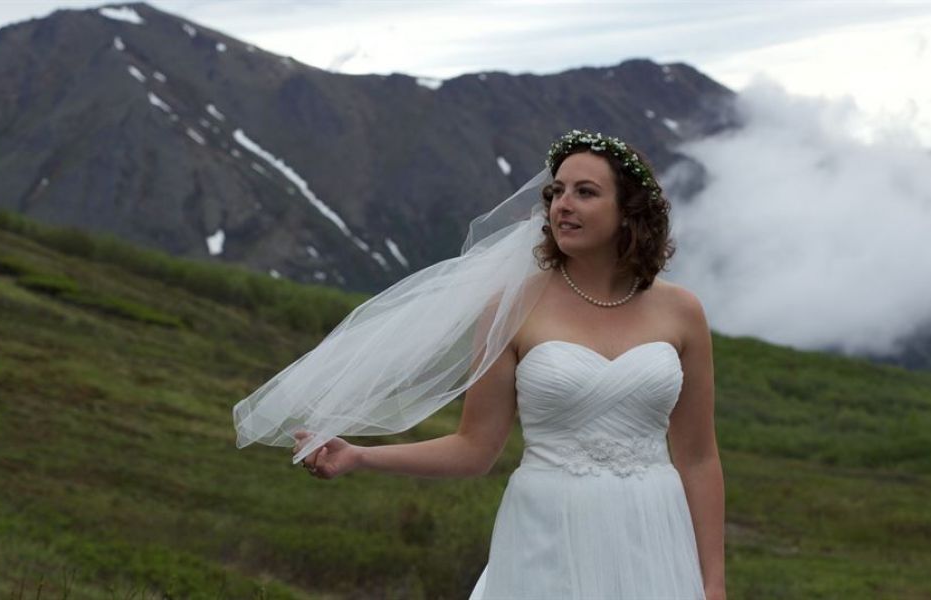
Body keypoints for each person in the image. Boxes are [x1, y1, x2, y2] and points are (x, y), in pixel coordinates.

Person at [238, 130, 725, 599]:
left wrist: (713, 583)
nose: (563, 204)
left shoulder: (681, 311)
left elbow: (699, 458)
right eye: (556, 192)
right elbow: (474, 449)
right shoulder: (512, 308)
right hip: (547, 531)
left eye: (585, 192)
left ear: (628, 211)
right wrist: (361, 456)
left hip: (654, 531)